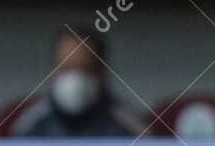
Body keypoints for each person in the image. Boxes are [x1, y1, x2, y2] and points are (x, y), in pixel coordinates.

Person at [14, 25, 144, 138]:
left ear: (102, 73)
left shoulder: (129, 127)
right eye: (66, 69)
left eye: (84, 70)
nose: (75, 79)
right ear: (53, 72)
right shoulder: (31, 126)